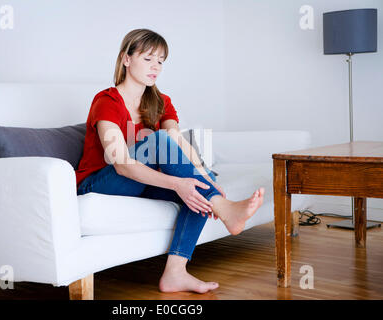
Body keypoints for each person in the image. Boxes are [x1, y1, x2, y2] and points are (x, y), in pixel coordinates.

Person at [75, 28, 265, 294]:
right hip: (100, 181)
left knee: (196, 188)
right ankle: (226, 210)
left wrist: (205, 179)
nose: (156, 67)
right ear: (126, 59)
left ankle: (175, 272)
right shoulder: (106, 100)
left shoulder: (162, 102)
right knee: (161, 143)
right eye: (148, 59)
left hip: (137, 181)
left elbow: (181, 145)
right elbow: (121, 163)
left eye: (161, 61)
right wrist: (178, 183)